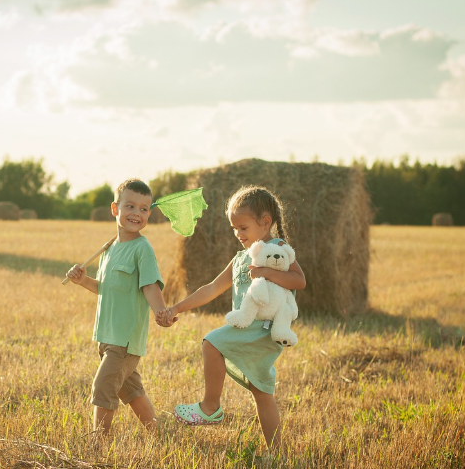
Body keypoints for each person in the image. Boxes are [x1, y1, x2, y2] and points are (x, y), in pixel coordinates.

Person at [156, 185, 306, 450]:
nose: (238, 234)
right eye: (234, 228)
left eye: (243, 227)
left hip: (263, 327)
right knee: (262, 393)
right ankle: (278, 453)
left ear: (265, 222)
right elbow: (211, 288)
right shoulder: (240, 259)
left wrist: (266, 273)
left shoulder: (277, 248)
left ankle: (210, 407)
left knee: (212, 343)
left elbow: (299, 280)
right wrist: (177, 308)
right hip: (253, 328)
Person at [66, 178, 170, 436]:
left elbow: (150, 286)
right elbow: (106, 288)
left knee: (103, 386)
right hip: (106, 335)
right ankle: (157, 434)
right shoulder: (109, 248)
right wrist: (83, 281)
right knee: (130, 391)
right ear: (115, 209)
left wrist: (161, 312)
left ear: (149, 214)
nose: (137, 213)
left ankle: (98, 444)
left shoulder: (142, 248)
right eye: (130, 206)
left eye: (144, 209)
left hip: (124, 339)